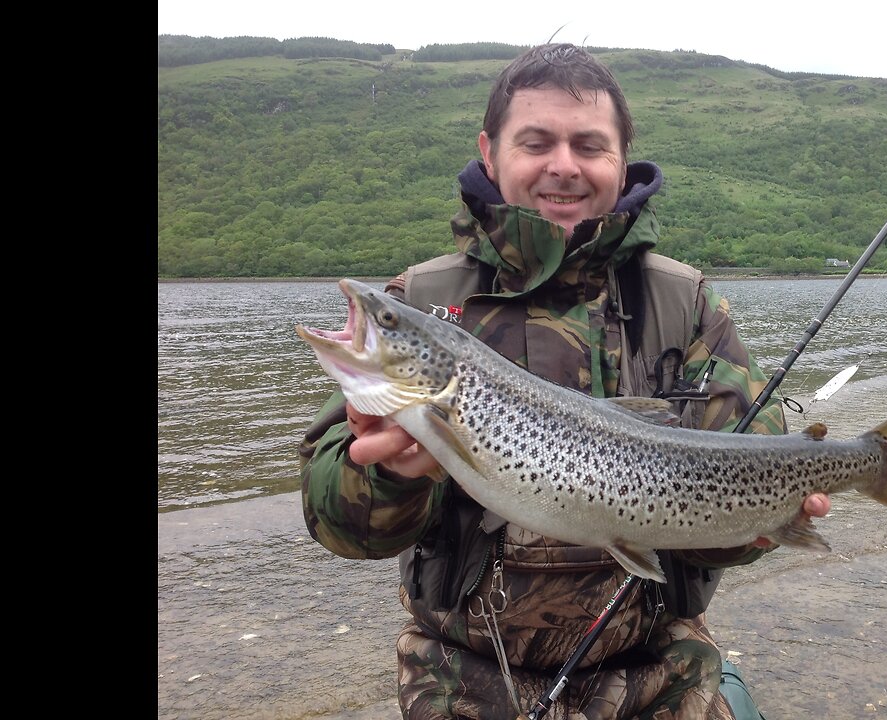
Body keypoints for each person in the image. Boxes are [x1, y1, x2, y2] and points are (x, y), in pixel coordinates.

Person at [299, 42, 831, 720]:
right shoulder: (426, 302)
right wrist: (391, 478)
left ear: (621, 158)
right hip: (465, 682)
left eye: (589, 145)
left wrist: (753, 525)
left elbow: (735, 491)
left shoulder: (686, 304)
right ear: (490, 153)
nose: (564, 165)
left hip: (660, 675)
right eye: (537, 142)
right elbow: (335, 524)